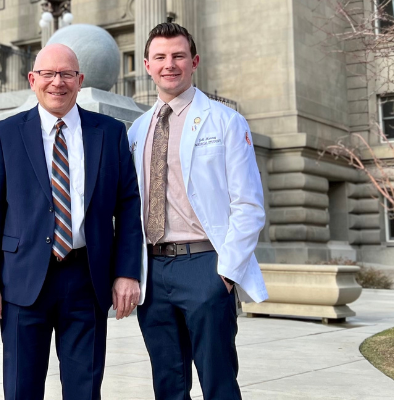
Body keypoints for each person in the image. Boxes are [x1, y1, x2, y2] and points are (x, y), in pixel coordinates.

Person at [0, 43, 143, 400]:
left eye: (66, 74)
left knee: (84, 390)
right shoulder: (7, 133)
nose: (57, 83)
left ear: (80, 81)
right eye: (48, 74)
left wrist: (127, 272)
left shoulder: (109, 132)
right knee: (21, 389)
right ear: (33, 80)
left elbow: (128, 206)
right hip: (22, 282)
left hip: (86, 279)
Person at [128, 23, 269, 400]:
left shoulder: (225, 121)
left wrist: (224, 275)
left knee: (218, 382)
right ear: (146, 64)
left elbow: (249, 206)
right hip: (153, 272)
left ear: (194, 61)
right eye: (160, 57)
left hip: (205, 264)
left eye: (177, 56)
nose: (169, 64)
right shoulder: (138, 130)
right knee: (167, 384)